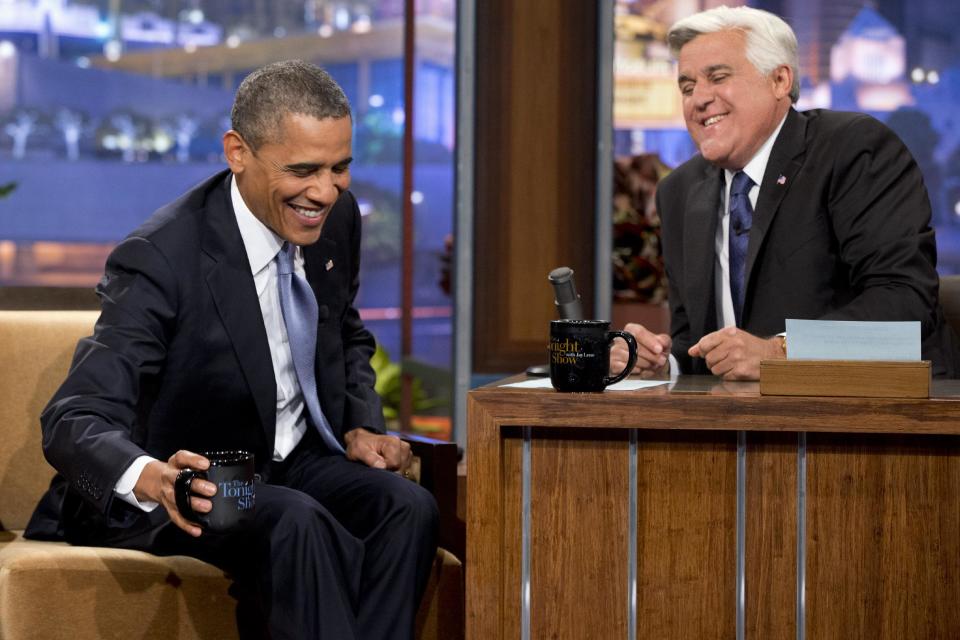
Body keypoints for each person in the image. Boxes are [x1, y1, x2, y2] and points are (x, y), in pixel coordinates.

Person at [25, 60, 438, 640]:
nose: (326, 191)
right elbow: (72, 419)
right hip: (195, 481)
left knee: (407, 508)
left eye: (340, 167)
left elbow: (342, 330)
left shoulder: (336, 218)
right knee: (295, 522)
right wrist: (155, 478)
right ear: (237, 151)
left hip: (290, 465)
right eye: (303, 170)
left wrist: (362, 424)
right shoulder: (162, 256)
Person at [610, 6, 959, 381]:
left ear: (779, 80)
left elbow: (904, 305)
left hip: (879, 410)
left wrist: (780, 351)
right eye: (688, 86)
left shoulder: (853, 149)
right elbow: (697, 343)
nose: (698, 99)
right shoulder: (679, 190)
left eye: (718, 77)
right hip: (743, 423)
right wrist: (663, 362)